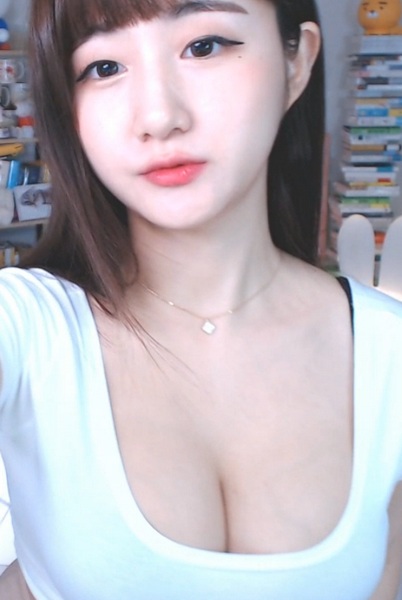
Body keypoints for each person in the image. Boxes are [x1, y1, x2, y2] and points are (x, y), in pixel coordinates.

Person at [0, 0, 402, 598]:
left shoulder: (389, 352)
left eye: (204, 45)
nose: (159, 117)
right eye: (104, 68)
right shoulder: (29, 324)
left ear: (297, 63)